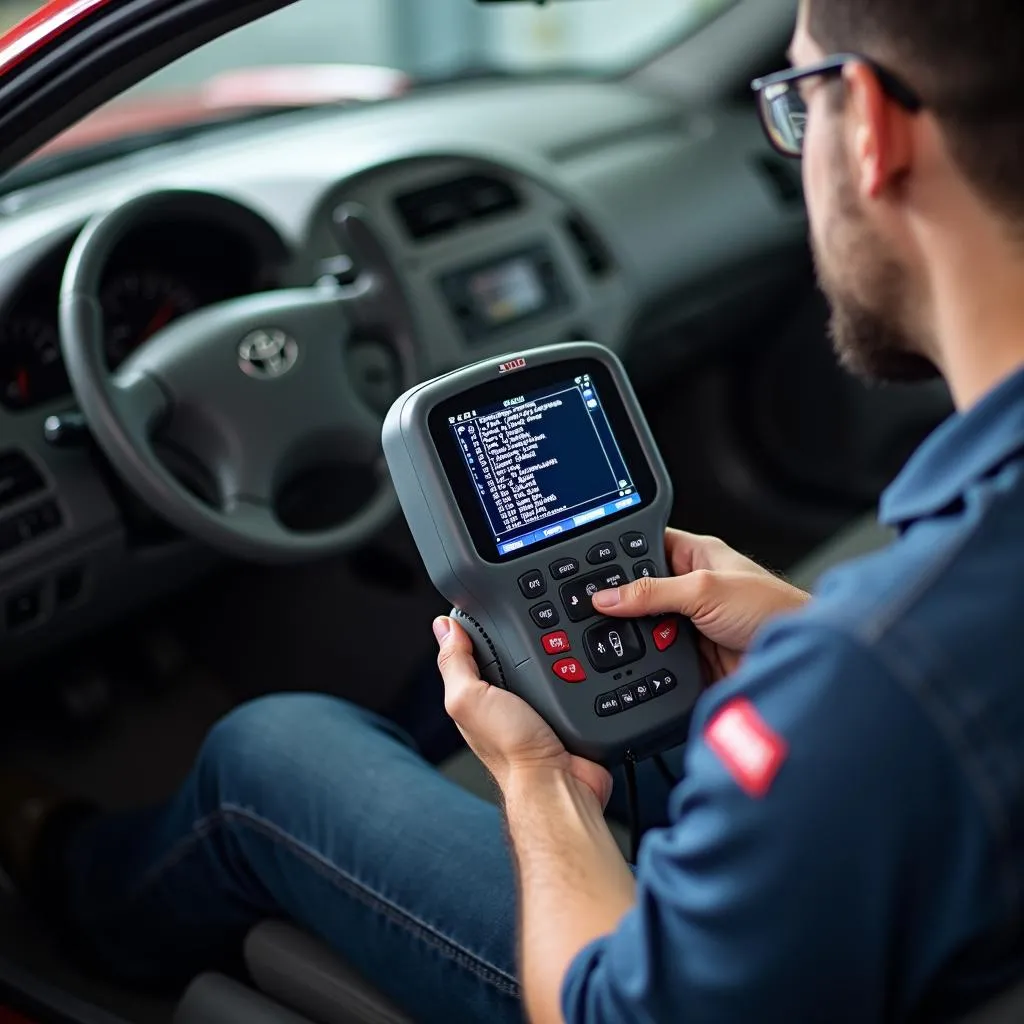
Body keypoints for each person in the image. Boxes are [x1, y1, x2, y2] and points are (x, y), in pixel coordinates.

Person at [5, 0, 1024, 1019]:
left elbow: (611, 1008)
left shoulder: (886, 671)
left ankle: (61, 886)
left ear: (873, 133)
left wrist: (536, 779)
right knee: (543, 683)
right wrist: (815, 640)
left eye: (797, 101)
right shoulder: (899, 640)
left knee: (266, 748)